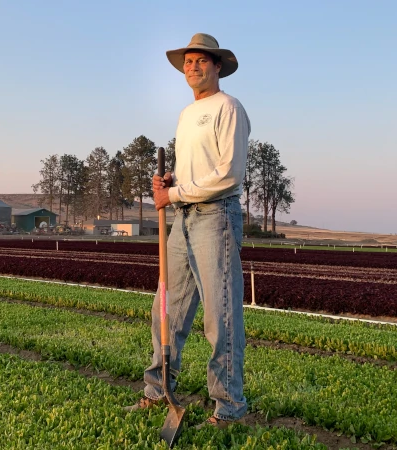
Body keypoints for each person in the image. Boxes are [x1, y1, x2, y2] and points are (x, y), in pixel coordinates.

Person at [124, 33, 251, 430]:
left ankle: (229, 407)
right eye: (188, 62)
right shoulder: (186, 114)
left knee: (220, 315)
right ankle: (158, 390)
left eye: (200, 61)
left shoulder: (229, 108)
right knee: (167, 309)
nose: (192, 67)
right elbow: (194, 169)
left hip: (215, 217)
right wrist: (171, 182)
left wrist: (175, 192)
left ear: (217, 67)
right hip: (182, 220)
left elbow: (229, 174)